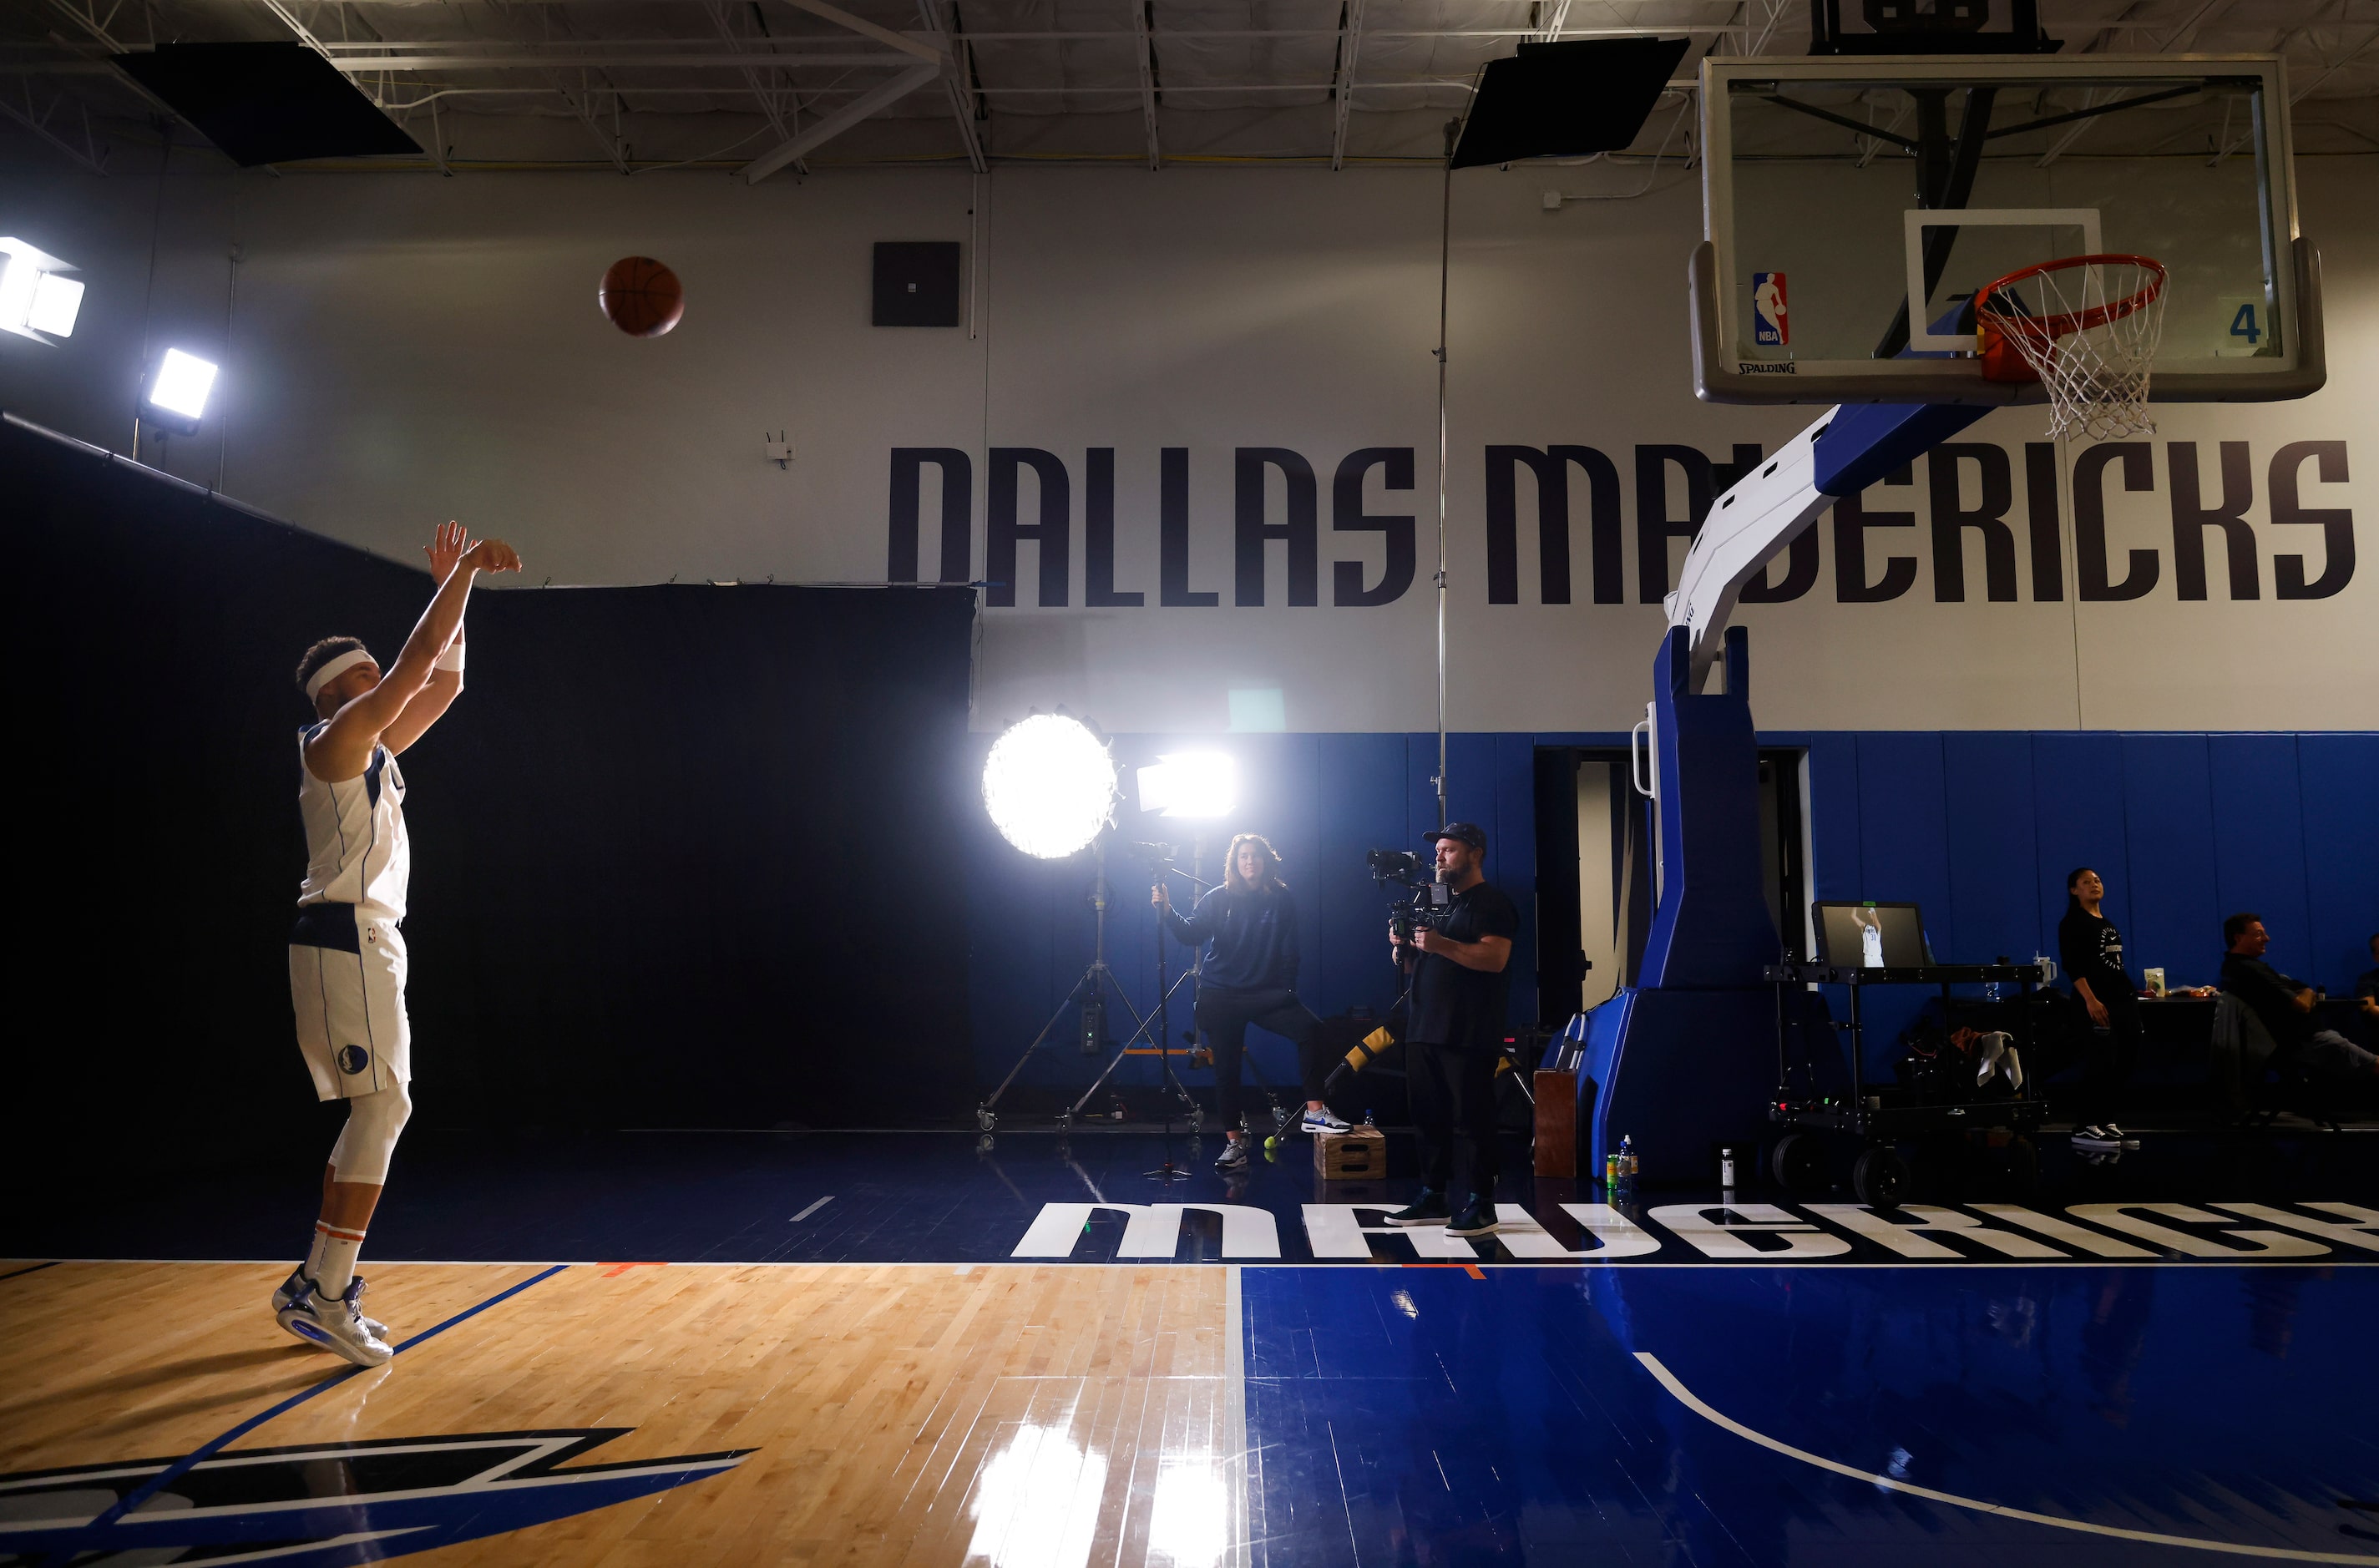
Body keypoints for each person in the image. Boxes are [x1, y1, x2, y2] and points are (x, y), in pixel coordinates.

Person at [273, 521, 522, 1367]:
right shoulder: (335, 742)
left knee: (377, 1110)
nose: (387, 682)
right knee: (384, 1109)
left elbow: (442, 684)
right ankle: (326, 1289)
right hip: (345, 936)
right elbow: (418, 665)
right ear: (337, 694)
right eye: (369, 675)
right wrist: (465, 578)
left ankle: (319, 1282)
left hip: (359, 940)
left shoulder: (371, 744)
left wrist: (455, 589)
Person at [1156, 833, 1339, 1173]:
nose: (1249, 861)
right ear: (1234, 864)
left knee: (1311, 1030)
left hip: (1265, 993)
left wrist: (1287, 989)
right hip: (1221, 995)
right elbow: (1190, 934)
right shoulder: (1218, 898)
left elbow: (1290, 949)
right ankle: (1234, 1144)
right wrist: (1168, 911)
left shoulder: (1281, 899)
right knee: (1227, 1072)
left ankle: (1315, 1111)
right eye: (1243, 857)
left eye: (1255, 855)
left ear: (1266, 862)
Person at [1382, 823, 1518, 1239]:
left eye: (1449, 850)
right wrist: (1403, 949)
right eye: (1438, 850)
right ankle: (1433, 1194)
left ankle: (1482, 1203)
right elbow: (1422, 964)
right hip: (1424, 1026)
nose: (1439, 857)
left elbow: (1494, 959)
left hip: (1469, 1029)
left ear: (1475, 854)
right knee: (1428, 1116)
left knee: (1475, 1119)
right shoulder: (1437, 904)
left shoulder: (1492, 903)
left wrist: (1440, 945)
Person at [2220, 913, 2379, 1082]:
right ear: (2238, 938)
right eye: (2258, 934)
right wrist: (2308, 991)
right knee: (2375, 1064)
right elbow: (2302, 1004)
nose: (2267, 938)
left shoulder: (2234, 968)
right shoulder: (2250, 970)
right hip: (2305, 1042)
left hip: (2297, 1042)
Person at [2058, 867, 2143, 1151]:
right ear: (2074, 890)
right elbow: (2074, 965)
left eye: (2097, 880)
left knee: (2125, 1059)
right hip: (2096, 1002)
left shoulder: (2106, 922)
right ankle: (2085, 1125)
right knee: (2100, 1062)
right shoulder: (2073, 922)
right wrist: (2091, 1000)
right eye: (2086, 882)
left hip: (2122, 1000)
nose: (2094, 885)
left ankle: (2106, 1120)